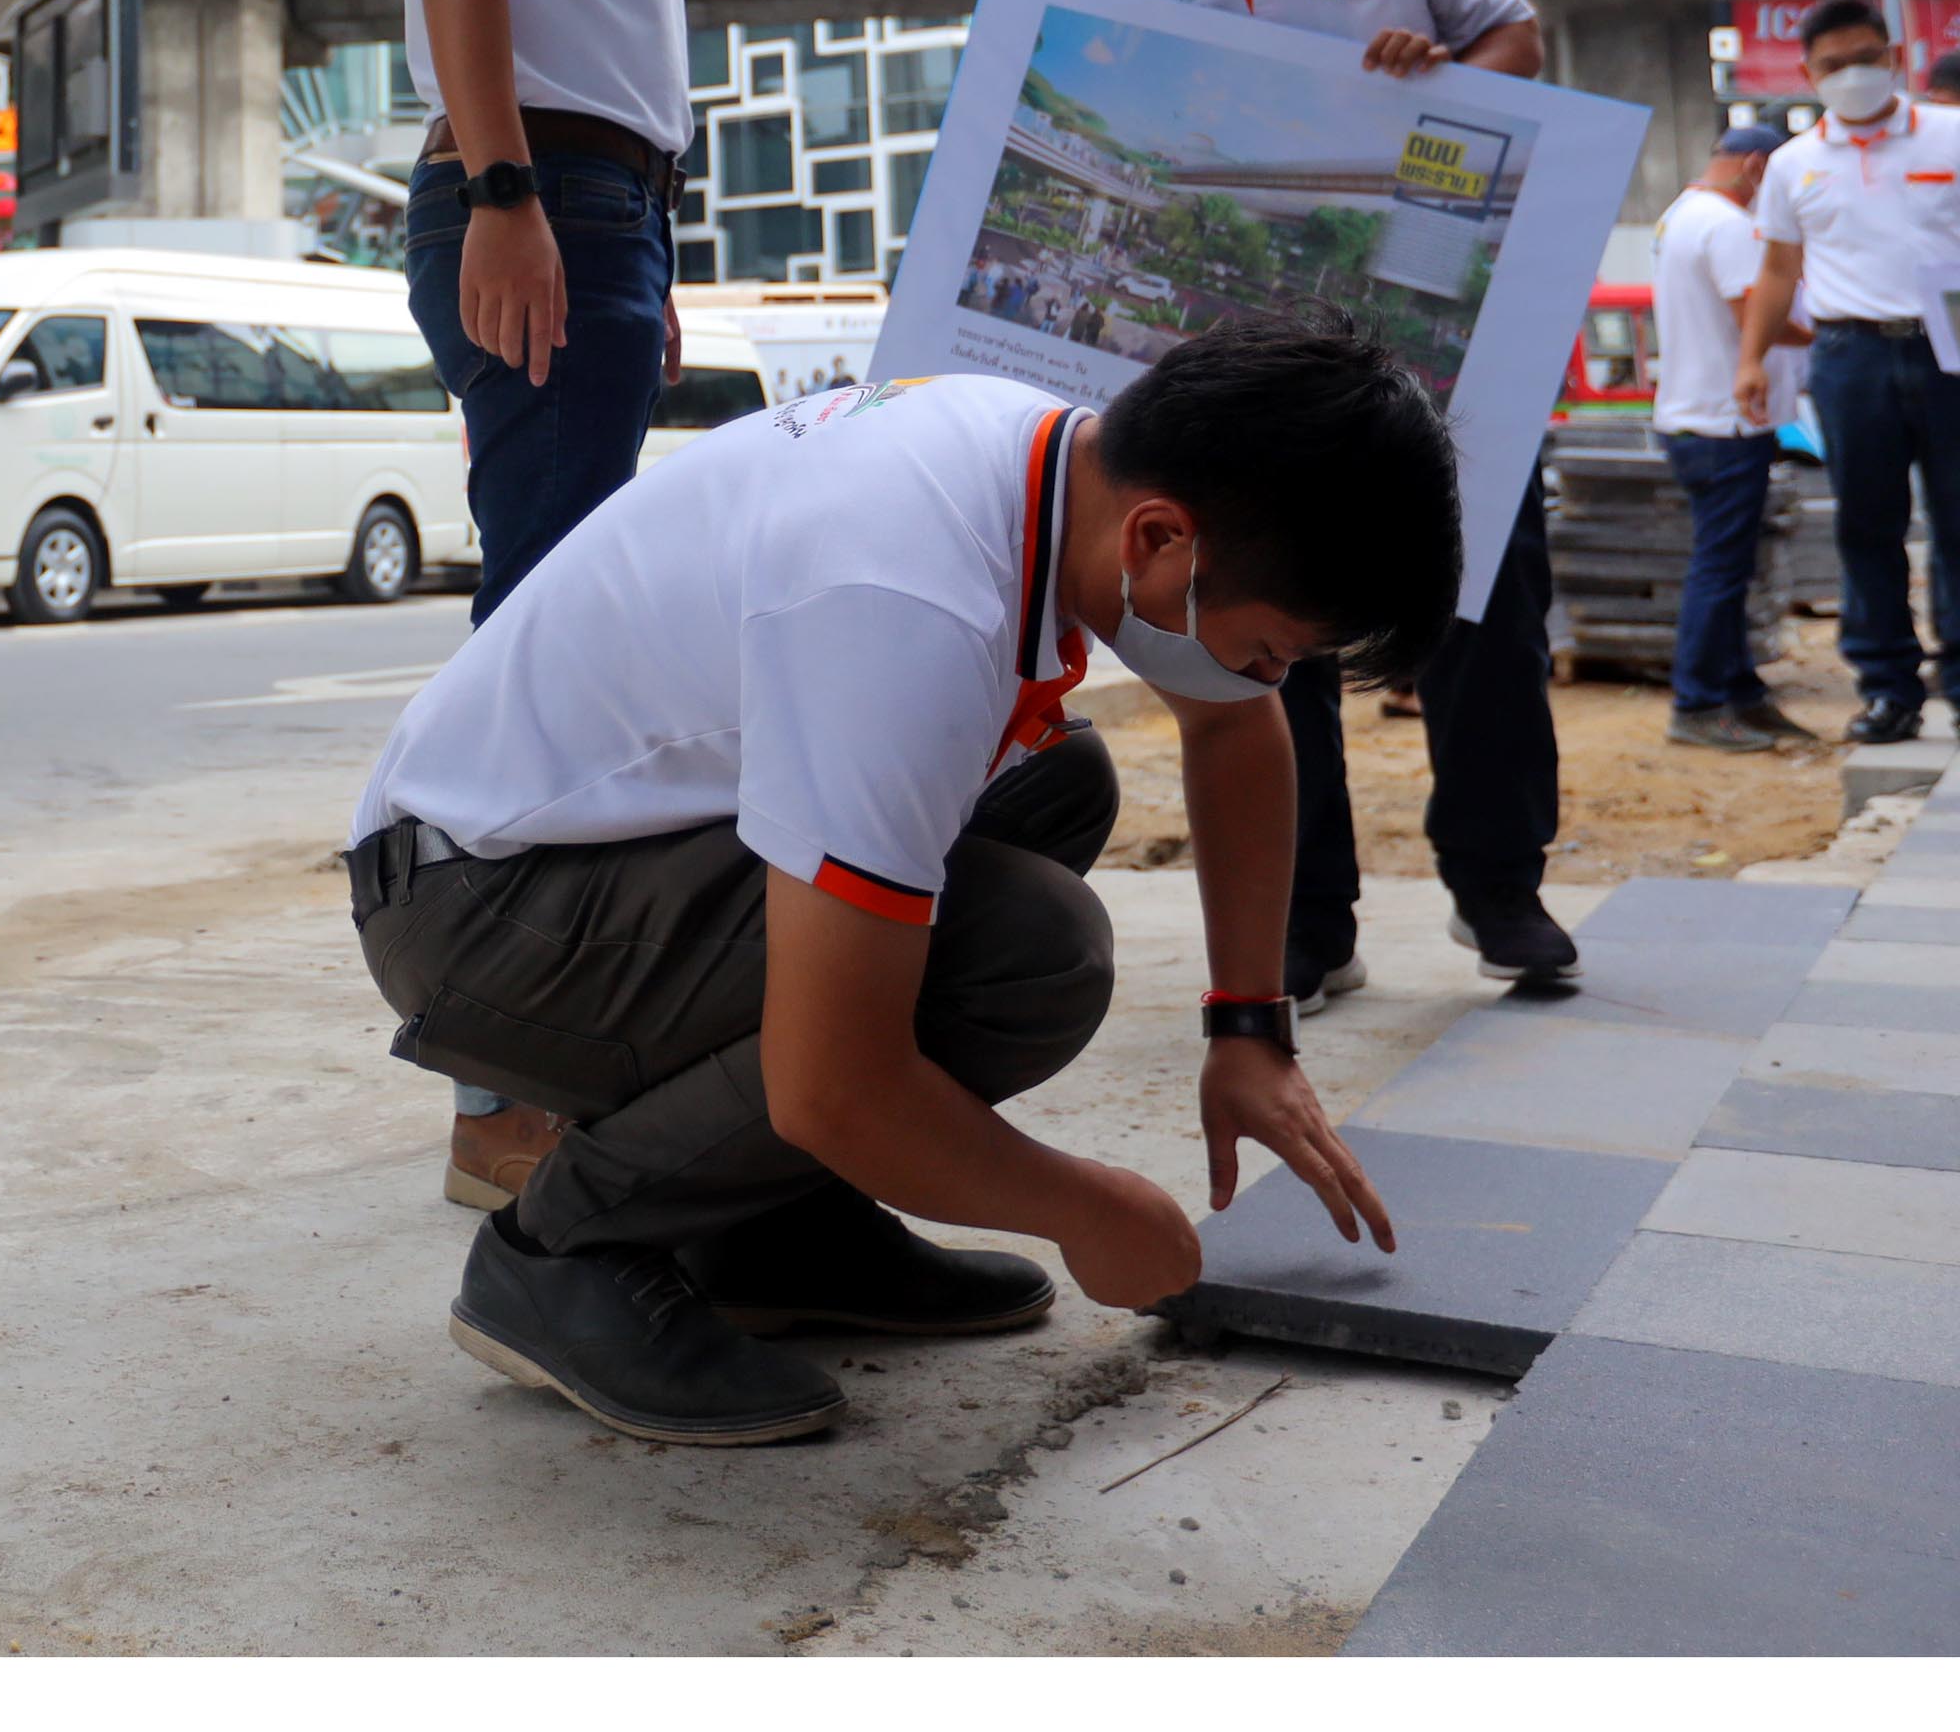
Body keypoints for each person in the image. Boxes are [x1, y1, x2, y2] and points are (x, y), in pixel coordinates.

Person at [348, 318, 1448, 1443]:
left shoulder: (1050, 460)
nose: (1261, 678)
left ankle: (768, 1224)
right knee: (1031, 953)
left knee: (1058, 780)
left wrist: (1250, 1031)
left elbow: (1235, 724)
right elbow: (835, 1085)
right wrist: (1088, 1210)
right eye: (1269, 647)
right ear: (1161, 537)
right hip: (475, 912)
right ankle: (560, 1251)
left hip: (563, 843)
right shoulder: (907, 605)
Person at [394, 0, 773, 1211]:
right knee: (540, 647)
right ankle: (495, 1093)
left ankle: (524, 1063)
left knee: (562, 628)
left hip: (598, 197)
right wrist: (507, 191)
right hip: (537, 183)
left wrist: (641, 232)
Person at [1069, 0, 1577, 1007]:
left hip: (1434, 343)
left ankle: (1501, 887)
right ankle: (1309, 927)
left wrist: (1451, 78)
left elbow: (1521, 42)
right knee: (1258, 638)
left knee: (1486, 612)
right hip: (1243, 395)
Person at [1737, 0, 1960, 743]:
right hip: (1849, 356)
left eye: (1866, 58)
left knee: (1959, 520)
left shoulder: (1950, 135)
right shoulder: (1794, 165)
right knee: (1867, 526)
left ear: (1894, 57)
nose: (1853, 75)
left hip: (1948, 351)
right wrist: (1751, 359)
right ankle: (1888, 689)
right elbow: (1775, 268)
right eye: (1834, 65)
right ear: (1809, 74)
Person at [1655, 124, 1818, 752]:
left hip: (1695, 417)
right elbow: (1757, 313)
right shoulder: (1727, 225)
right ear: (1755, 166)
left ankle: (1741, 691)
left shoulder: (1680, 214)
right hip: (1726, 421)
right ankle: (1696, 703)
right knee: (1720, 570)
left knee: (1727, 565)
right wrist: (1830, 323)